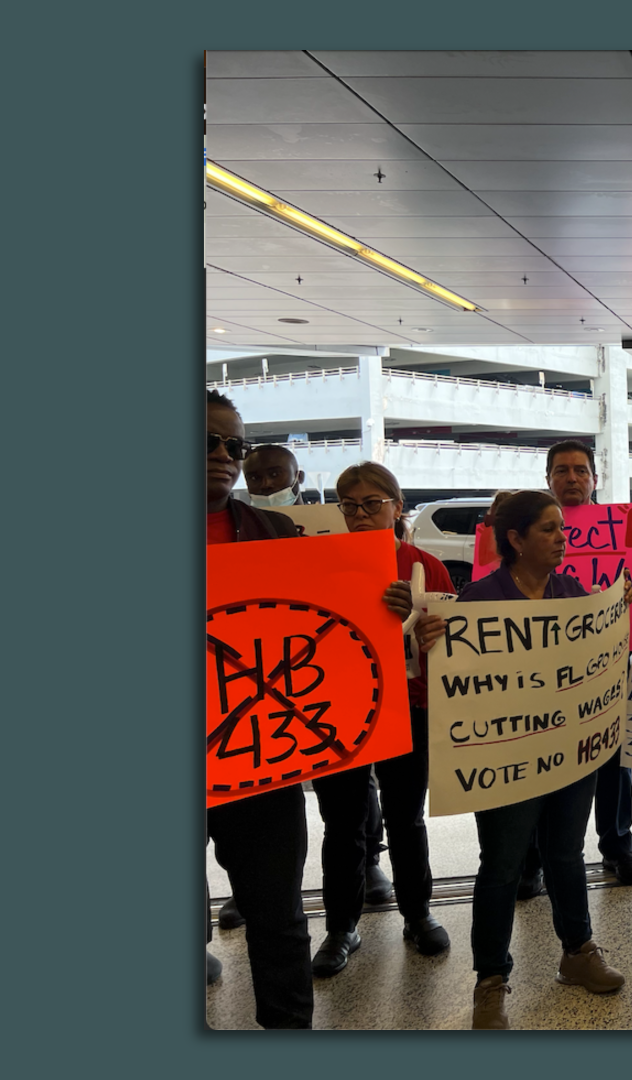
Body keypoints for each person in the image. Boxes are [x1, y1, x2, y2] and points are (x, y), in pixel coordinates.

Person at [425, 490, 626, 1027]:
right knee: (502, 864)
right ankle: (490, 978)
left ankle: (577, 951)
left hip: (568, 754)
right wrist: (431, 645)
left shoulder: (573, 592)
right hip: (507, 757)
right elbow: (453, 679)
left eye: (563, 528)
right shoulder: (479, 601)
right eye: (549, 529)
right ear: (514, 540)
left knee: (565, 853)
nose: (564, 538)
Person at [217, 447, 391, 936]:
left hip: (332, 687)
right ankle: (253, 890)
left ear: (297, 476)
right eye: (257, 474)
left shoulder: (319, 530)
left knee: (351, 803)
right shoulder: (251, 527)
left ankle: (356, 885)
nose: (266, 480)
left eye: (275, 472)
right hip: (259, 691)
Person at [307, 462, 452, 978]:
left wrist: (420, 626)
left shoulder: (425, 566)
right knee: (342, 823)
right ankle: (341, 926)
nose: (362, 514)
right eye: (351, 505)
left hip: (408, 708)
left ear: (397, 506)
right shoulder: (321, 564)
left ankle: (418, 913)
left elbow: (450, 650)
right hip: (338, 711)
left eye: (373, 503)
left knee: (406, 817)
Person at [204, 389, 311, 1028]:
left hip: (258, 754)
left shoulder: (275, 531)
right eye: (206, 442)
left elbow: (316, 628)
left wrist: (377, 606)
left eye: (233, 446)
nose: (223, 456)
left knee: (277, 912)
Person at [541, 440, 632, 887]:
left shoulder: (622, 530)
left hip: (609, 662)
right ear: (547, 479)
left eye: (580, 471)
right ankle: (538, 854)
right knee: (542, 758)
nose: (572, 479)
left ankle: (618, 844)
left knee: (613, 757)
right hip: (544, 669)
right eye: (562, 470)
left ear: (594, 479)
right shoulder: (527, 529)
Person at [241, 443, 312, 508]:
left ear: (299, 477)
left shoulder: (321, 520)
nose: (265, 484)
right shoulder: (240, 521)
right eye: (254, 478)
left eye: (275, 474)